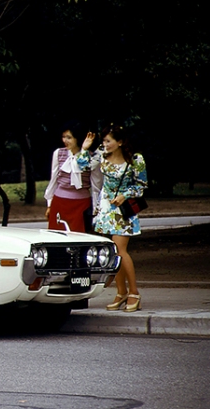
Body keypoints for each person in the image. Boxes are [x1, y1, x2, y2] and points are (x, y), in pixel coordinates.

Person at [78, 124, 147, 312]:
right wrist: (84, 148)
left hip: (123, 210)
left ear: (120, 142)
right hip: (107, 210)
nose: (105, 144)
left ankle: (134, 293)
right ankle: (121, 291)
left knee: (121, 251)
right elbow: (82, 166)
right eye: (104, 141)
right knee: (113, 252)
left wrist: (125, 194)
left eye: (109, 141)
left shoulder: (135, 159)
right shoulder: (101, 155)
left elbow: (141, 185)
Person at [44, 120, 102, 233]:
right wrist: (49, 204)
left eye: (69, 137)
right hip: (59, 202)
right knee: (56, 238)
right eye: (63, 137)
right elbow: (53, 180)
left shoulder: (92, 158)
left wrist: (95, 211)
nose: (65, 140)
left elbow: (96, 186)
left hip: (81, 205)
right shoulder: (58, 153)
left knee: (79, 239)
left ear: (77, 138)